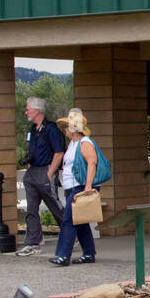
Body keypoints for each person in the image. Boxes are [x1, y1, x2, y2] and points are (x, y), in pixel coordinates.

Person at [50, 111, 101, 266]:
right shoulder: (73, 143)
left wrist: (88, 186)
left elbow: (92, 163)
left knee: (69, 220)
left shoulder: (85, 142)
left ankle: (63, 255)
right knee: (80, 220)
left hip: (79, 186)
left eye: (67, 127)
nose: (65, 130)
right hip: (71, 186)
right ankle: (89, 253)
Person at [16, 97, 65, 256]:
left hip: (45, 171)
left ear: (37, 110)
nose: (26, 112)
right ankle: (32, 242)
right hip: (32, 172)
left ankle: (72, 234)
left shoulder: (51, 129)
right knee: (31, 209)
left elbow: (58, 153)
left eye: (28, 109)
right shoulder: (32, 130)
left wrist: (50, 173)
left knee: (54, 206)